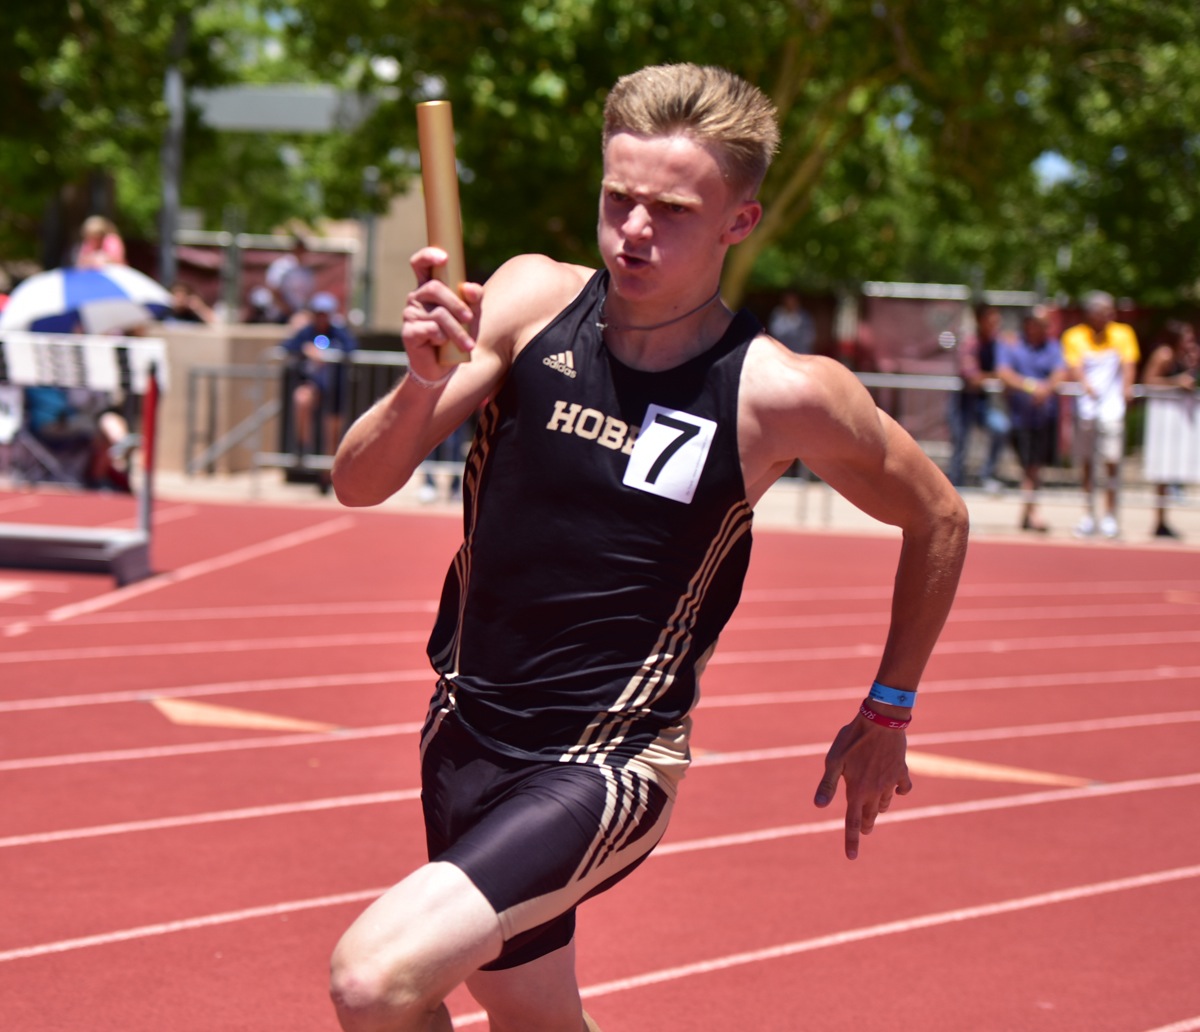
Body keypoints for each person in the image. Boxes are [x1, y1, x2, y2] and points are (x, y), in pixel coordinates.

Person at [328, 63, 969, 1032]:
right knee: (533, 1015)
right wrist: (420, 384)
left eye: (670, 211)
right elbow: (358, 481)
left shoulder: (778, 393)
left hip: (606, 764)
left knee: (374, 980)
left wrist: (891, 706)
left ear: (738, 224)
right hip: (462, 735)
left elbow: (941, 517)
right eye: (618, 197)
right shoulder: (528, 304)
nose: (633, 230)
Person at [1061, 291, 1140, 539]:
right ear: (1092, 313)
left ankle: (1110, 516)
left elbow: (1129, 365)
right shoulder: (1074, 336)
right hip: (1087, 409)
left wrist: (1126, 390)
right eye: (1106, 311)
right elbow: (1074, 367)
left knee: (1112, 461)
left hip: (1111, 408)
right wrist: (1086, 385)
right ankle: (1088, 514)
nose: (1111, 315)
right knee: (1086, 462)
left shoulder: (1123, 333)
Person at [995, 310, 1067, 532]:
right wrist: (1030, 387)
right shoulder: (1013, 344)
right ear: (1029, 325)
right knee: (1028, 467)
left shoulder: (1053, 346)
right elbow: (1004, 372)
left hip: (1044, 417)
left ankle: (1029, 513)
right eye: (1040, 324)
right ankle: (1030, 513)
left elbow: (1061, 372)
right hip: (1020, 417)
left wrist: (1046, 389)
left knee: (1034, 468)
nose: (1045, 328)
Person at [281, 292, 356, 484]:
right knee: (301, 398)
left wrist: (330, 354)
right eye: (318, 313)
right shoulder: (307, 332)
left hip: (335, 389)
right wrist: (305, 349)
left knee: (332, 434)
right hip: (314, 386)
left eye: (325, 313)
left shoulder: (339, 332)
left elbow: (352, 348)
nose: (321, 317)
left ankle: (327, 477)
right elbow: (286, 346)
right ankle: (302, 446)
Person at [1140, 319, 1200, 539]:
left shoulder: (1185, 356)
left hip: (1178, 420)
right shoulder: (1164, 354)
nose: (1191, 341)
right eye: (1187, 338)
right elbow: (1148, 380)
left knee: (1172, 470)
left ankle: (1164, 520)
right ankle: (1160, 520)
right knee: (1162, 472)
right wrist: (1177, 381)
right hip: (1163, 419)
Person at [947, 303, 1009, 490]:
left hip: (983, 403)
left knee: (1001, 428)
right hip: (963, 402)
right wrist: (995, 377)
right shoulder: (971, 343)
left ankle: (986, 475)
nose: (996, 323)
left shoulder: (998, 342)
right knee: (960, 444)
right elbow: (972, 377)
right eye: (991, 318)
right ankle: (955, 483)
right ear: (981, 320)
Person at [266, 236, 317, 324]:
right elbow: (273, 288)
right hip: (280, 314)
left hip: (299, 313)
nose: (301, 252)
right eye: (299, 248)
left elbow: (308, 296)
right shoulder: (282, 266)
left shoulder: (306, 270)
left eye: (303, 249)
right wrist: (286, 309)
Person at [767, 289, 815, 354]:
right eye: (788, 299)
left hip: (801, 353)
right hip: (782, 352)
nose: (790, 302)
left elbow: (809, 336)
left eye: (792, 299)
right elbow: (776, 332)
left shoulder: (804, 316)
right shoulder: (778, 314)